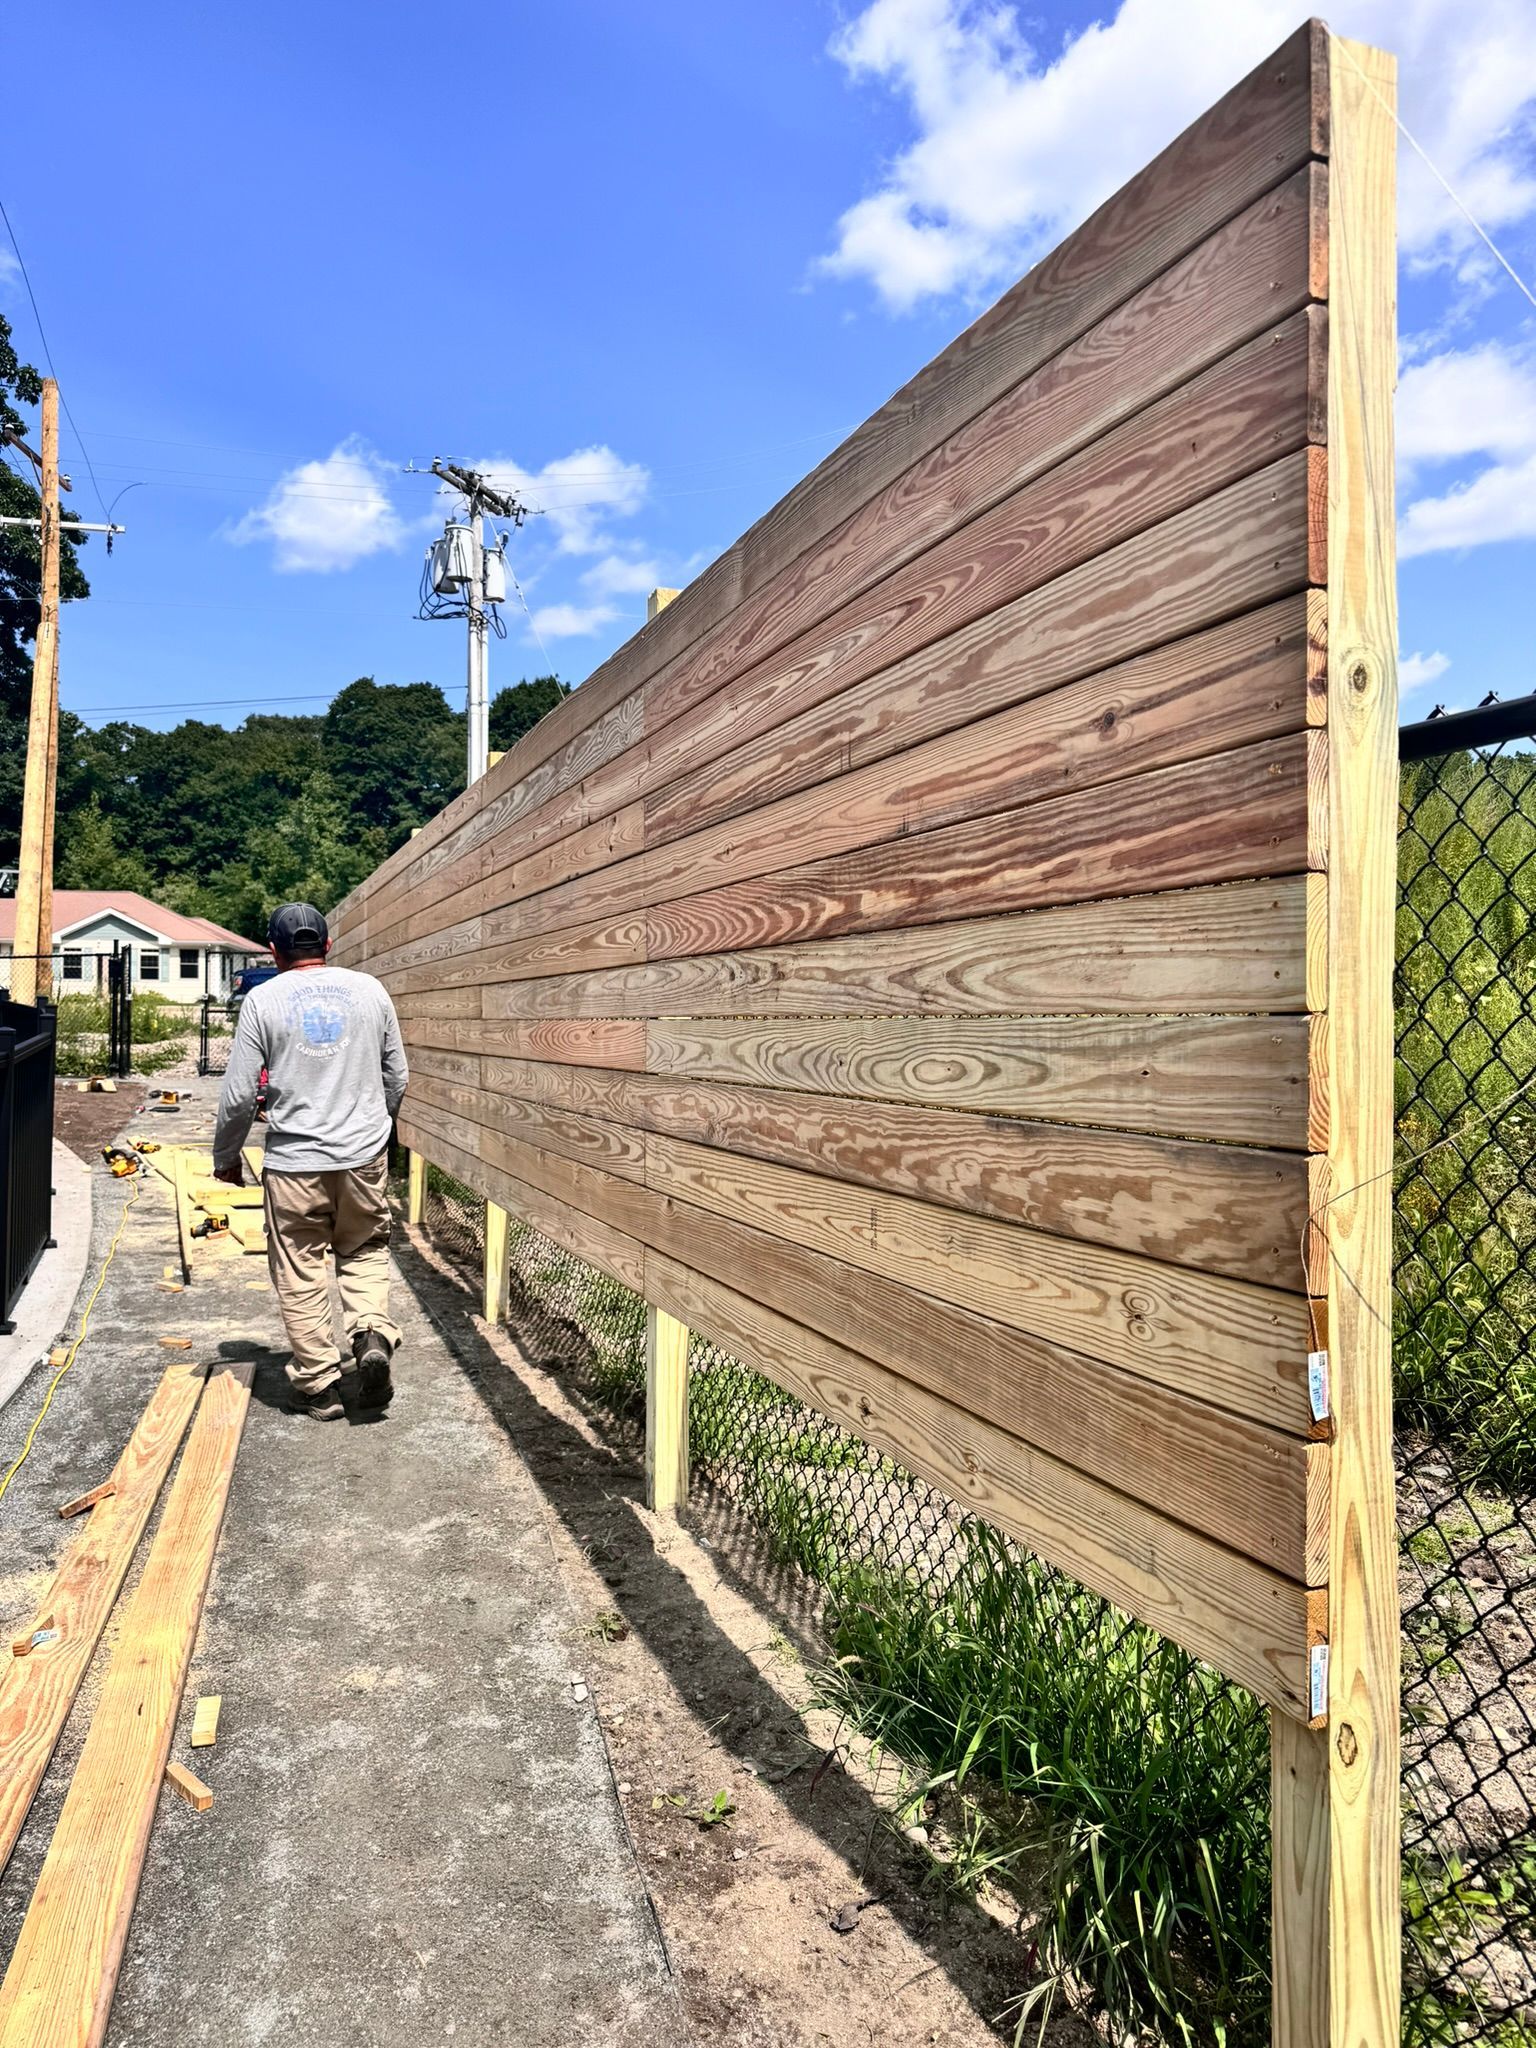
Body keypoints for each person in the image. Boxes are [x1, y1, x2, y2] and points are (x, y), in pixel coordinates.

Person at [213, 902, 409, 1420]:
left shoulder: (262, 1000)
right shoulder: (370, 990)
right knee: (364, 1249)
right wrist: (375, 1129)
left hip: (295, 1161)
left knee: (300, 1267)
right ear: (326, 945)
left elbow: (237, 1096)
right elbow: (398, 1077)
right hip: (363, 1156)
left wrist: (226, 1157)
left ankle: (320, 1386)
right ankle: (370, 1336)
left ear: (274, 951)